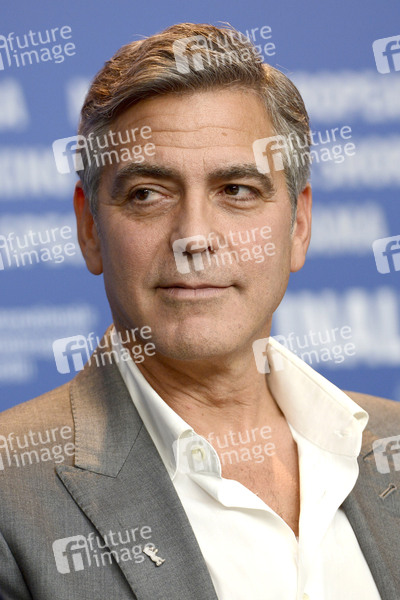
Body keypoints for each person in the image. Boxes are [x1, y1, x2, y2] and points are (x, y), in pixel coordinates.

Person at [0, 22, 399, 600]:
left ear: (299, 226)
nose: (194, 237)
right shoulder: (12, 492)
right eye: (147, 194)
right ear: (89, 228)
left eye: (236, 190)